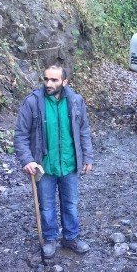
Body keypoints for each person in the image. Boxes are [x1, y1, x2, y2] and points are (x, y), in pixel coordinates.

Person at [14, 64, 94, 258]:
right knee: (47, 205)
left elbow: (83, 130)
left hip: (69, 164)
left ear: (65, 82)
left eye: (54, 80)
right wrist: (27, 160)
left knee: (70, 204)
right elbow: (20, 134)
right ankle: (50, 239)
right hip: (44, 166)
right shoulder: (33, 102)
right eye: (46, 79)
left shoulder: (75, 101)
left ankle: (71, 237)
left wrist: (87, 156)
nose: (48, 83)